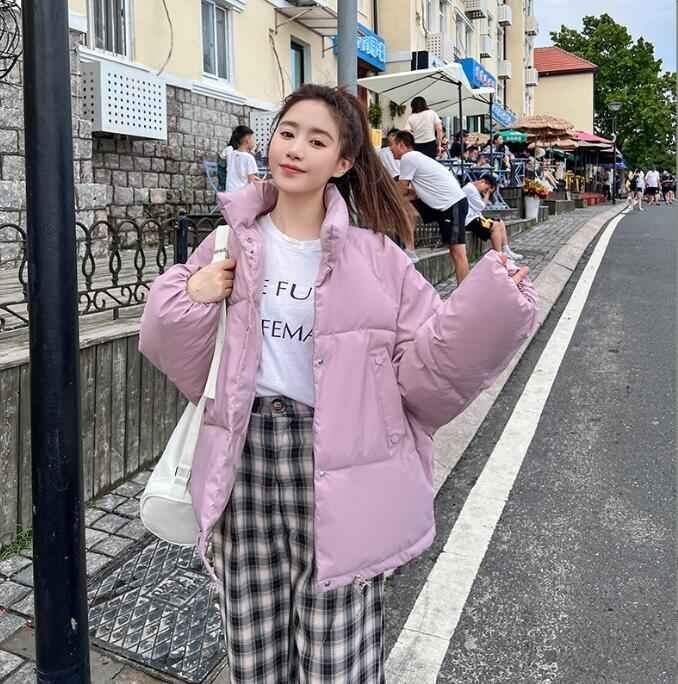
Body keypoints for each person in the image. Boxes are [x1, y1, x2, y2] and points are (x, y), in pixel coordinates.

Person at [139, 84, 536, 684]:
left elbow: (423, 375)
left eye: (317, 140)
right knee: (253, 651)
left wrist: (491, 308)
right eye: (287, 132)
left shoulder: (378, 258)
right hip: (243, 461)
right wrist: (188, 296)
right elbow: (177, 357)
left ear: (344, 162)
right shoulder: (226, 242)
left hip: (342, 467)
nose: (295, 148)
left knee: (337, 657)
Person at [390, 130, 472, 283]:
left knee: (458, 253)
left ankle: (465, 293)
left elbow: (401, 189)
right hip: (447, 205)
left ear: (401, 145)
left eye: (391, 145)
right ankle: (410, 248)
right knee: (455, 253)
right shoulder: (417, 158)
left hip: (452, 204)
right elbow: (411, 194)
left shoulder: (409, 157)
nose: (390, 149)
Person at [463, 174, 523, 262]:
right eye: (486, 189)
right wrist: (487, 194)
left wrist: (486, 193)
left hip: (475, 217)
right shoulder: (470, 189)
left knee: (500, 222)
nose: (485, 191)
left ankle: (506, 250)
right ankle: (499, 257)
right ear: (482, 182)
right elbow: (481, 206)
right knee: (495, 226)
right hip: (469, 220)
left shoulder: (473, 189)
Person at [220, 125, 259, 192]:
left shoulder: (231, 154)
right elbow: (251, 183)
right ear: (247, 140)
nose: (254, 141)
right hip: (241, 195)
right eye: (253, 138)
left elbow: (237, 173)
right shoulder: (249, 158)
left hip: (229, 193)